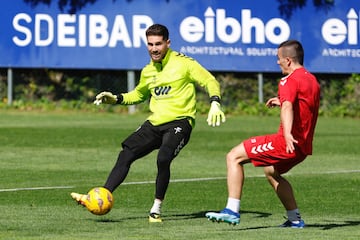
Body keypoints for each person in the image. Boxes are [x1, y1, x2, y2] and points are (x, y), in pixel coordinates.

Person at [71, 23, 225, 223]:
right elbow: (139, 94)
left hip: (180, 122)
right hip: (155, 123)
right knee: (126, 154)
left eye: (158, 44)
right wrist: (115, 99)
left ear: (167, 43)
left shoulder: (183, 63)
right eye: (150, 44)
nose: (154, 48)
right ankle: (101, 197)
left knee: (163, 158)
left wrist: (215, 103)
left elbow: (210, 81)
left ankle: (156, 209)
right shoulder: (148, 71)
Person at [205, 40, 320, 228]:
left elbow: (289, 107)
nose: (278, 62)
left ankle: (232, 210)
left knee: (233, 156)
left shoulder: (288, 80)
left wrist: (288, 133)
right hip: (303, 146)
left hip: (287, 142)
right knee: (271, 171)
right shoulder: (312, 80)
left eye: (279, 59)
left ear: (289, 61)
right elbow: (301, 105)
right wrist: (282, 101)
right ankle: (295, 219)